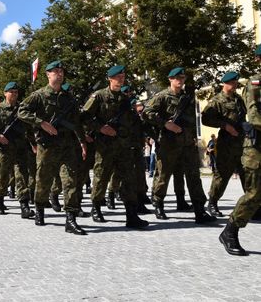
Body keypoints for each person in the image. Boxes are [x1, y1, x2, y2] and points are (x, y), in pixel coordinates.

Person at [18, 61, 87, 234]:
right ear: (48, 74)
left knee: (70, 181)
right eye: (55, 71)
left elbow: (77, 122)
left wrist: (82, 142)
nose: (59, 74)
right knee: (44, 179)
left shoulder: (68, 98)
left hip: (68, 145)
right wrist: (41, 123)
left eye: (61, 71)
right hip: (47, 145)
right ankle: (40, 209)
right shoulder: (39, 95)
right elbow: (21, 111)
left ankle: (70, 219)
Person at [143, 67, 215, 224]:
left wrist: (193, 138)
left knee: (194, 177)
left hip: (188, 144)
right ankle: (158, 204)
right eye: (177, 78)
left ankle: (199, 210)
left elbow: (191, 121)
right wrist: (165, 124)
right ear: (170, 79)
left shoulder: (187, 98)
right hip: (169, 144)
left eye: (182, 78)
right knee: (163, 175)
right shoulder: (162, 96)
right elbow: (146, 113)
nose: (180, 81)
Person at [82, 65, 148, 228]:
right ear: (110, 79)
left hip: (124, 146)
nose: (121, 78)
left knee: (128, 180)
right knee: (101, 177)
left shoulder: (125, 99)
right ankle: (96, 208)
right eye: (118, 76)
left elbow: (131, 122)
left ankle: (131, 215)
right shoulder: (99, 97)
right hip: (105, 147)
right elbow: (84, 117)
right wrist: (101, 127)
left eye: (123, 76)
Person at [219, 45, 261, 256]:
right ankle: (230, 231)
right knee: (254, 194)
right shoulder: (255, 84)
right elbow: (254, 118)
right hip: (256, 149)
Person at [0, 82, 33, 218]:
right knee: (3, 176)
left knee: (22, 176)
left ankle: (24, 205)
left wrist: (33, 143)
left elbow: (29, 128)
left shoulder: (22, 108)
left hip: (21, 147)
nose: (14, 94)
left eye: (16, 92)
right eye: (11, 92)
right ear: (5, 93)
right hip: (4, 148)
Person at [201, 72, 246, 217]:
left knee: (248, 174)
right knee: (222, 175)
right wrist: (225, 126)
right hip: (226, 143)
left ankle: (253, 207)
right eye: (232, 82)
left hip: (242, 142)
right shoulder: (217, 101)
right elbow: (205, 119)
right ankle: (212, 202)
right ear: (224, 83)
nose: (235, 85)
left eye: (236, 82)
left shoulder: (238, 99)